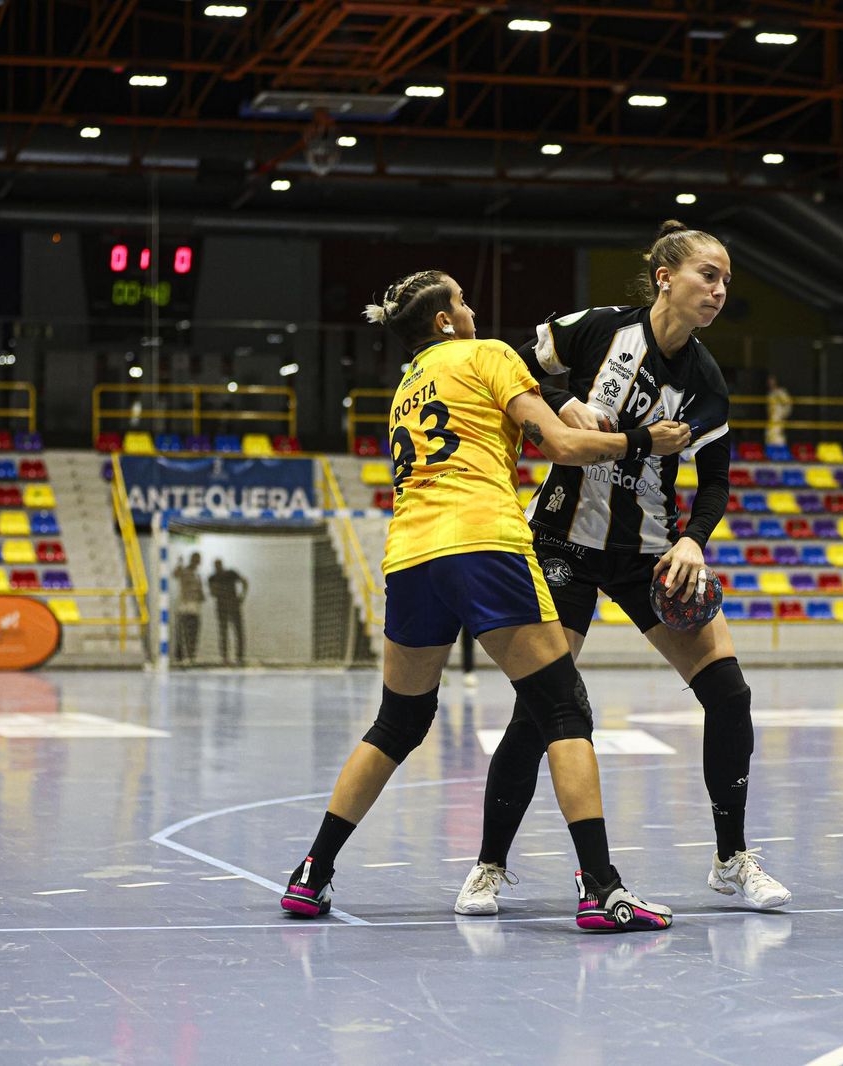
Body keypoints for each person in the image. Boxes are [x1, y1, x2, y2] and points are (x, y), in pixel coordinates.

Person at [281, 268, 691, 931]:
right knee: (563, 709)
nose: (471, 308)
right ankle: (603, 890)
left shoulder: (409, 386)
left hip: (411, 557)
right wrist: (643, 441)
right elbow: (558, 444)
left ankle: (312, 873)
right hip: (484, 544)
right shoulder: (489, 354)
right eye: (462, 300)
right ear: (445, 319)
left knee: (397, 722)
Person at [454, 221, 792, 917]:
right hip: (563, 544)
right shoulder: (595, 329)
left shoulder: (705, 381)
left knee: (728, 694)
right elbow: (510, 372)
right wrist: (552, 406)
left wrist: (695, 539)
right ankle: (488, 866)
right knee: (540, 710)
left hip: (651, 555)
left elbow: (718, 480)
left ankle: (732, 860)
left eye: (727, 280)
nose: (720, 290)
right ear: (665, 276)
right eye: (709, 274)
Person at [208, 559, 249, 665]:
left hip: (232, 605)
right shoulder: (212, 578)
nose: (217, 567)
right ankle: (225, 657)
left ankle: (239, 656)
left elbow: (244, 581)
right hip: (222, 607)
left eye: (218, 565)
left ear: (221, 565)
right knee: (224, 632)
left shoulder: (231, 573)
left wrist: (242, 596)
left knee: (237, 631)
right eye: (216, 566)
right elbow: (212, 593)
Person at [174, 552, 204, 664]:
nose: (197, 562)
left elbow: (200, 592)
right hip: (185, 607)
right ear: (192, 560)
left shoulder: (197, 575)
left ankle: (191, 656)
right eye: (196, 559)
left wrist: (200, 595)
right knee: (182, 632)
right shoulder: (185, 571)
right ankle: (180, 657)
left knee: (194, 633)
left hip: (195, 608)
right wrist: (179, 563)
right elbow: (175, 574)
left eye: (199, 560)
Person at [765, 374, 793, 447]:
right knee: (769, 436)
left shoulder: (781, 392)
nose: (770, 383)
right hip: (771, 419)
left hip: (779, 419)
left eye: (772, 381)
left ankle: (780, 455)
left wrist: (782, 414)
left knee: (778, 437)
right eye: (769, 382)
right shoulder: (770, 394)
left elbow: (788, 405)